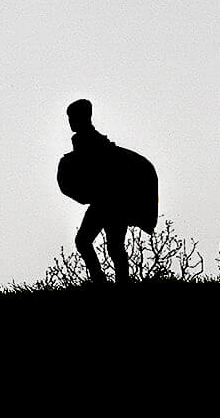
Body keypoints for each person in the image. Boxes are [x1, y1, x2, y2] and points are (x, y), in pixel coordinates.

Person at [57, 99, 159, 284]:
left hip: (108, 202)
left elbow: (101, 170)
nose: (70, 121)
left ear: (83, 117)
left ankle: (103, 281)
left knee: (88, 242)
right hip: (107, 202)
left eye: (72, 117)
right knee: (112, 247)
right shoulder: (88, 142)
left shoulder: (93, 143)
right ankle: (114, 282)